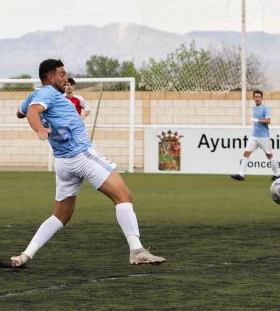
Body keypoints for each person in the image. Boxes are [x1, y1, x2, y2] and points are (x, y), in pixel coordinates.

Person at [11, 59, 165, 267]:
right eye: (62, 74)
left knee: (60, 216)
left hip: (64, 162)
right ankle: (137, 250)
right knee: (124, 196)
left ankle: (25, 255)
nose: (66, 79)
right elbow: (31, 112)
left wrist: (35, 114)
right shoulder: (47, 93)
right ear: (50, 77)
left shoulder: (37, 95)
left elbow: (21, 112)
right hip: (81, 156)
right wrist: (39, 128)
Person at [230, 90, 280, 181]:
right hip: (254, 136)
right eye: (256, 97)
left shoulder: (265, 108)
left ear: (261, 98)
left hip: (263, 136)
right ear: (253, 98)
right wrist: (256, 121)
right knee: (246, 153)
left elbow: (268, 121)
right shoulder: (253, 107)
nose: (257, 98)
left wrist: (257, 120)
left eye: (259, 97)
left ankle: (277, 175)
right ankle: (241, 175)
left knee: (269, 155)